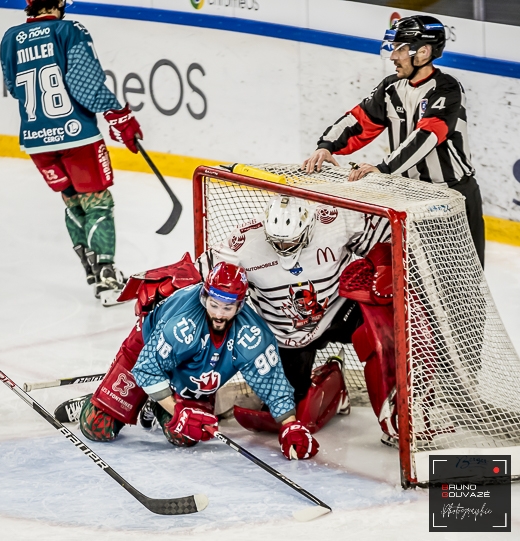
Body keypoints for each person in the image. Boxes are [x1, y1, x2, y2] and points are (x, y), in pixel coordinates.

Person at [79, 260, 319, 461]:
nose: (218, 314)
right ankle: (103, 398)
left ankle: (156, 404)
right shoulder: (182, 324)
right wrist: (177, 410)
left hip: (195, 369)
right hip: (145, 350)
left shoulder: (251, 333)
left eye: (227, 308)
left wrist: (290, 424)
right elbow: (148, 369)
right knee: (97, 427)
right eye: (214, 305)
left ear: (240, 305)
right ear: (205, 297)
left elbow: (272, 382)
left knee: (187, 435)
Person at [302, 14, 485, 268]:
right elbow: (359, 121)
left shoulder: (447, 90)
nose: (393, 56)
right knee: (412, 281)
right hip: (409, 197)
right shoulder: (391, 88)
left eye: (400, 48)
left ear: (423, 52)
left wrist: (384, 168)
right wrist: (326, 146)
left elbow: (426, 137)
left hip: (451, 197)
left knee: (462, 283)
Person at [197, 195, 390, 435]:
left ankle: (399, 406)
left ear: (308, 228)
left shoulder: (334, 221)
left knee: (385, 336)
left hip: (340, 311)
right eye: (276, 241)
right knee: (288, 412)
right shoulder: (245, 243)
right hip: (288, 334)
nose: (283, 248)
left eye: (290, 241)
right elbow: (202, 275)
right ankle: (334, 386)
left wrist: (385, 263)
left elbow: (393, 236)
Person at [0, 0, 143, 306]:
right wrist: (118, 114)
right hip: (76, 135)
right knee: (98, 203)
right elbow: (85, 84)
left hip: (36, 139)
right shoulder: (69, 30)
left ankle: (91, 271)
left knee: (72, 201)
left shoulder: (10, 37)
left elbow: (13, 87)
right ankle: (107, 280)